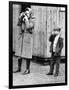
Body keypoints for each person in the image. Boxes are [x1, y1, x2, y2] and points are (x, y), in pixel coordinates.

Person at [14, 7, 35, 75]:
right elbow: (18, 24)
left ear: (31, 13)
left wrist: (26, 20)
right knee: (19, 53)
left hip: (28, 38)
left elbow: (29, 27)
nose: (26, 14)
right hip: (22, 37)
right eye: (25, 13)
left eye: (28, 13)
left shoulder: (33, 19)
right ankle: (19, 68)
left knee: (27, 54)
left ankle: (27, 69)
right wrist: (20, 18)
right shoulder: (23, 18)